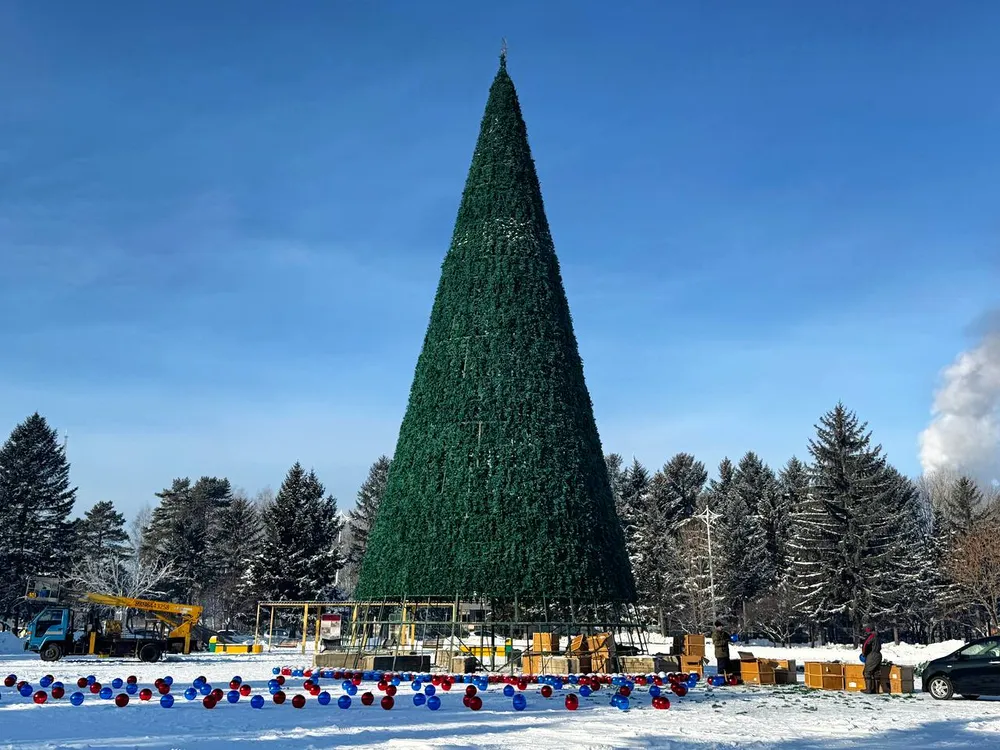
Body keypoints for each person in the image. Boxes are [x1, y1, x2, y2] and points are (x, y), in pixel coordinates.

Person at [861, 625, 882, 694]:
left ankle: (868, 689)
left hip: (872, 655)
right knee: (876, 672)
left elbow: (865, 645)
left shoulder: (871, 636)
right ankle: (876, 690)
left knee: (867, 672)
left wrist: (864, 653)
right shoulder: (878, 636)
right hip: (878, 655)